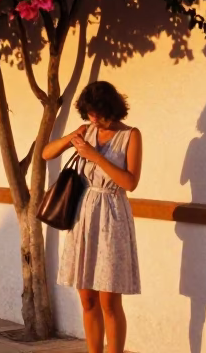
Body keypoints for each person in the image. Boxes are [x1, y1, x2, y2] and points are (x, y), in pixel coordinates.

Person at [41, 80, 142, 353]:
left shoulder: (131, 135)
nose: (92, 118)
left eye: (96, 112)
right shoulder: (87, 130)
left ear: (110, 108)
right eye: (88, 113)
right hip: (83, 216)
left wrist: (95, 157)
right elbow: (46, 153)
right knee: (87, 299)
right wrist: (74, 135)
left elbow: (130, 182)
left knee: (110, 301)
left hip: (112, 216)